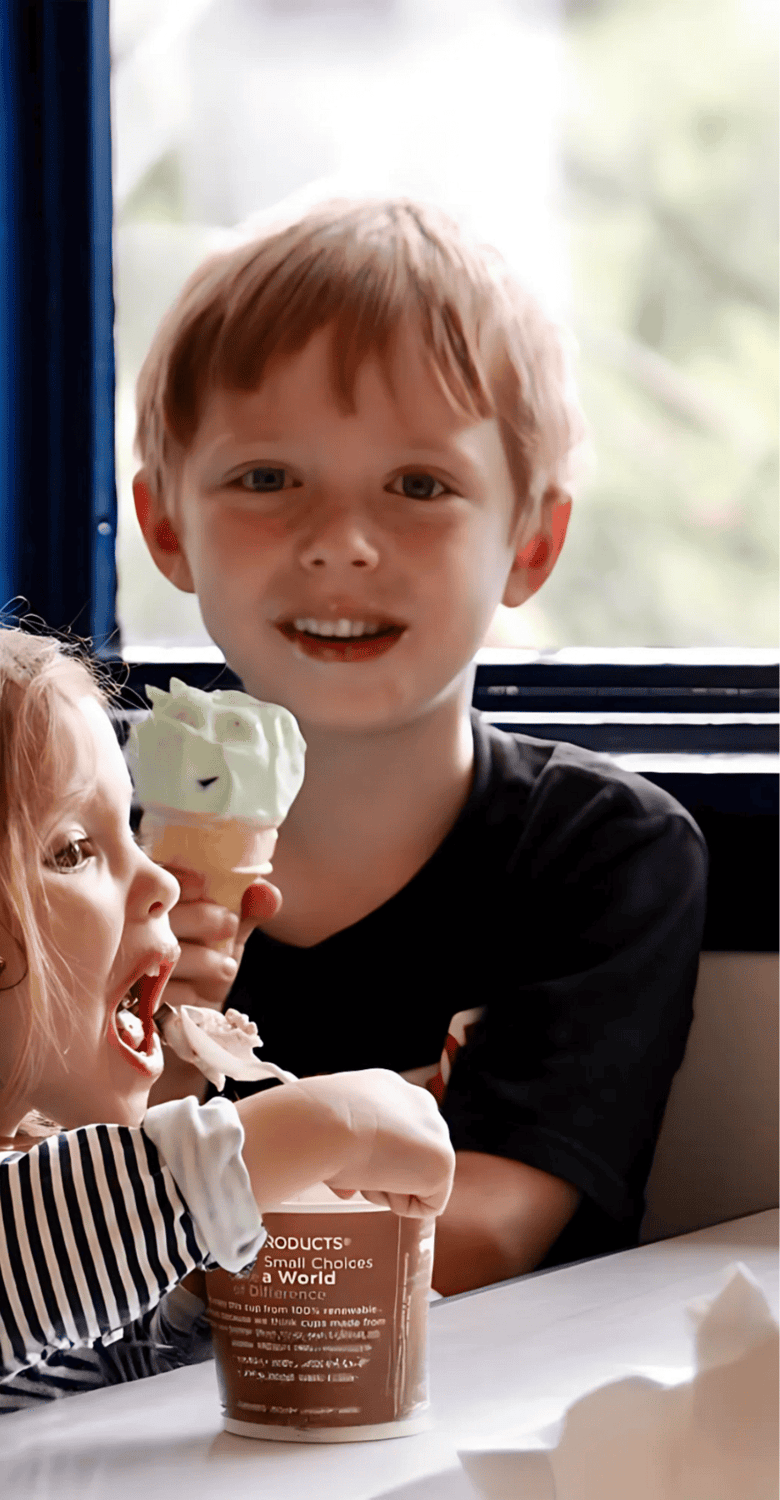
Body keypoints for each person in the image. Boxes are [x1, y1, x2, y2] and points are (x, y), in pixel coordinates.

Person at [130, 198, 708, 1297]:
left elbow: (481, 1235)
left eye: (418, 487)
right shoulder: (72, 843)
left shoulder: (602, 856)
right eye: (266, 479)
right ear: (166, 529)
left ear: (529, 543)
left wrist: (117, 1231)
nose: (340, 544)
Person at [0, 610, 454, 1468]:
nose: (162, 882)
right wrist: (303, 1131)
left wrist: (219, 1287)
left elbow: (123, 1372)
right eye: (71, 850)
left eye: (129, 830)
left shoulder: (74, 1214)